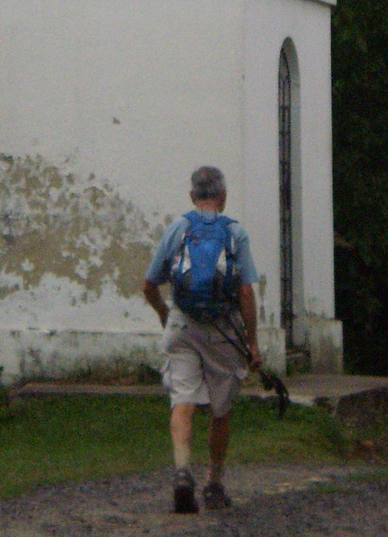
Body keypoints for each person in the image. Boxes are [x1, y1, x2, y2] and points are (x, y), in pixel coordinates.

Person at [142, 165, 262, 514]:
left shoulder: (178, 228)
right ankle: (213, 483)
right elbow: (244, 292)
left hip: (182, 324)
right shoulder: (235, 233)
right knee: (221, 410)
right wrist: (252, 343)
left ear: (192, 197)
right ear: (222, 197)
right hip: (223, 330)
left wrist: (166, 314)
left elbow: (149, 286)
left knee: (183, 400)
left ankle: (182, 473)